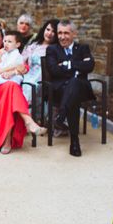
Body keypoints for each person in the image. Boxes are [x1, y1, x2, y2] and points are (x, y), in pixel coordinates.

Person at [0, 27, 46, 154]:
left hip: (8, 88)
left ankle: (7, 139)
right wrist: (15, 69)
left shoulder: (10, 52)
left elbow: (24, 66)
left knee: (11, 88)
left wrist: (16, 70)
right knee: (12, 88)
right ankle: (29, 121)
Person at [46, 19, 95, 157]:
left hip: (82, 88)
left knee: (74, 84)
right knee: (72, 95)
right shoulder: (52, 49)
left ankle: (61, 115)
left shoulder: (83, 48)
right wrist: (78, 65)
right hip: (60, 90)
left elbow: (90, 66)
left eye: (66, 33)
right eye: (60, 33)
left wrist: (67, 64)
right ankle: (74, 141)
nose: (62, 36)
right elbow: (54, 70)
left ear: (74, 34)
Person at [22, 19, 58, 107]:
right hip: (27, 74)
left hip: (41, 79)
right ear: (43, 30)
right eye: (48, 29)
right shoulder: (33, 45)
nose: (49, 33)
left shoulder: (55, 49)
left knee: (30, 87)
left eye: (53, 31)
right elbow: (21, 60)